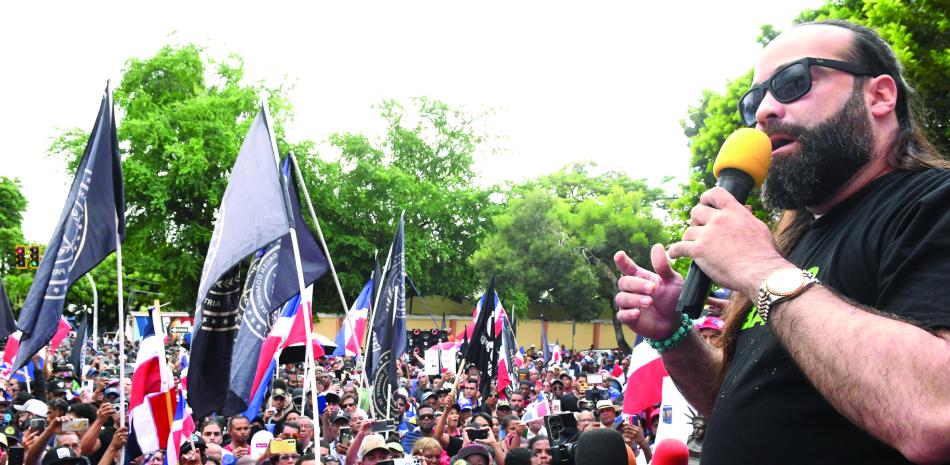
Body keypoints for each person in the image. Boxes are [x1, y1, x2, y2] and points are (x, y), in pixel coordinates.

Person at [613, 19, 950, 465]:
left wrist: (760, 268)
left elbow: (935, 413)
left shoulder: (934, 203)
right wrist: (674, 335)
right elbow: (743, 406)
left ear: (880, 95)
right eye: (755, 99)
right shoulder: (792, 242)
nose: (765, 111)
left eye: (794, 82)